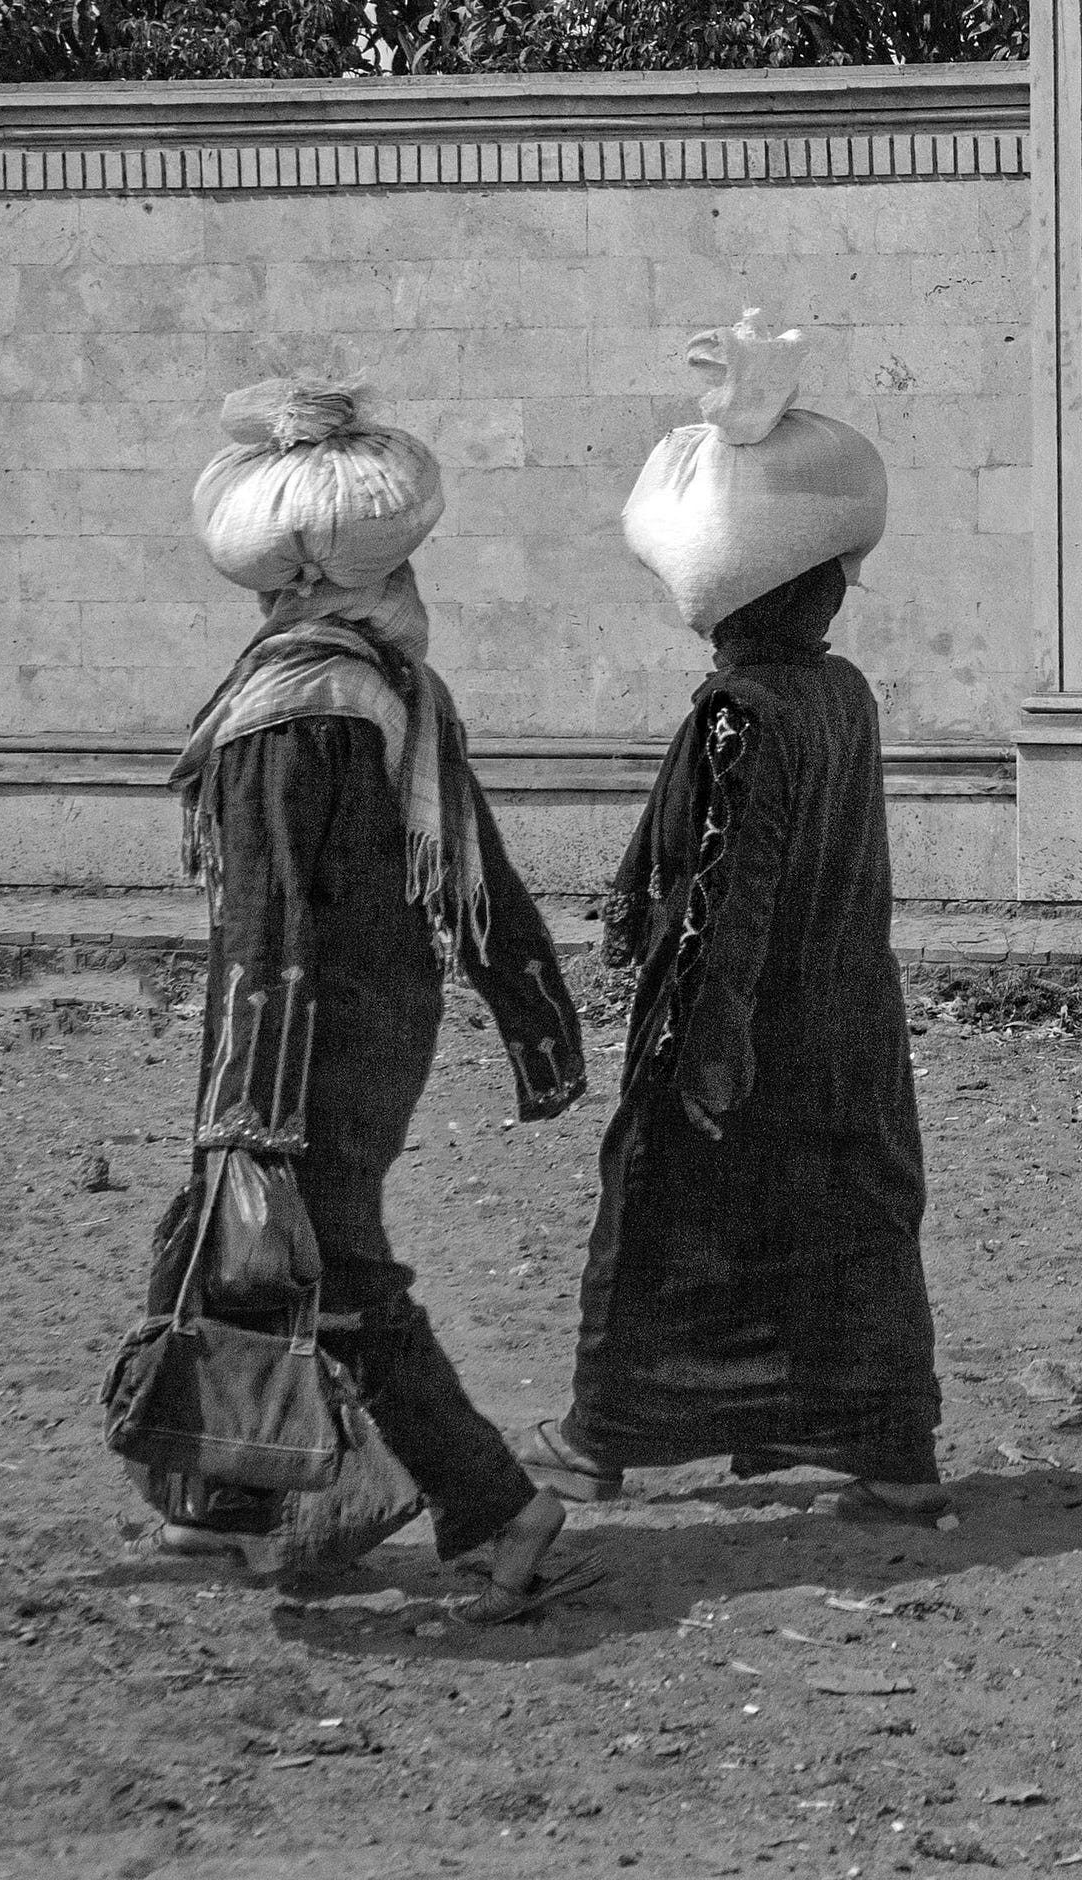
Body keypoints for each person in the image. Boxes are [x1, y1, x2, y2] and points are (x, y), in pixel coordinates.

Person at [512, 318, 946, 1521]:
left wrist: (698, 1045)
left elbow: (721, 895)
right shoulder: (839, 694)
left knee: (655, 1212)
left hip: (742, 1024)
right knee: (851, 1227)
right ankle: (891, 1449)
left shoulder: (738, 713)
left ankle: (597, 1438)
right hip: (848, 1025)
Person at [151, 553, 586, 1619]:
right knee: (239, 1247)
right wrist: (539, 1025)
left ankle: (496, 1507)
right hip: (378, 1024)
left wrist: (247, 1101)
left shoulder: (293, 705)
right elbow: (483, 879)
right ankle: (230, 1503)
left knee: (321, 1264)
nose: (264, 605)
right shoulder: (396, 687)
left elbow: (270, 905)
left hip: (304, 1038)